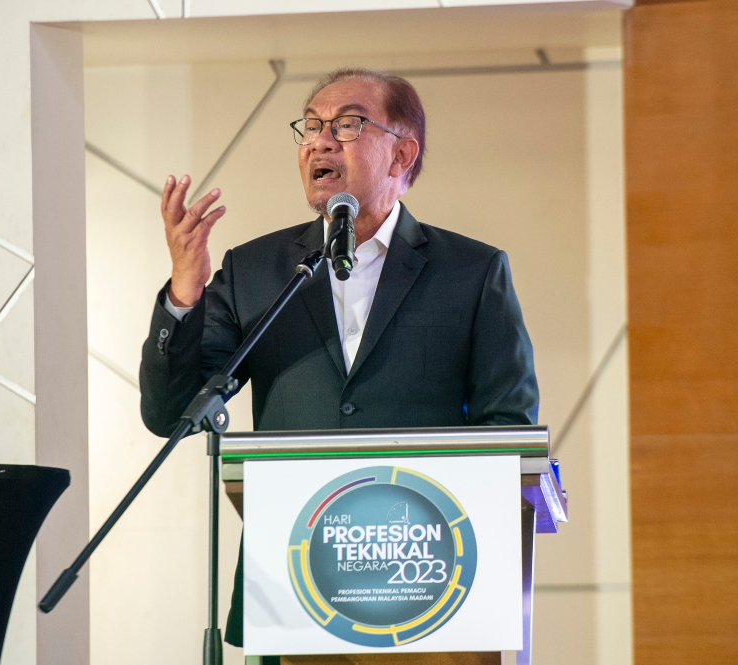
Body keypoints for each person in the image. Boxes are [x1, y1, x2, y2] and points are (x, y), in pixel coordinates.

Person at [139, 68, 538, 647]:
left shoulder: (471, 272)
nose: (320, 141)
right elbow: (171, 412)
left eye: (347, 124)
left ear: (403, 153)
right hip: (291, 586)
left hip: (426, 585)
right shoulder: (257, 270)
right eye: (311, 126)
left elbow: (509, 426)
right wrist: (184, 290)